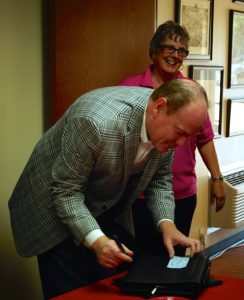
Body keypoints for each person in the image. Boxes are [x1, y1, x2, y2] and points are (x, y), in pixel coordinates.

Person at [9, 79, 208, 299]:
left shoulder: (168, 129)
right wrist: (97, 240)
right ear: (159, 108)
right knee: (72, 294)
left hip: (100, 206)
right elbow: (66, 191)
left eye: (188, 136)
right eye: (180, 133)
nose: (181, 144)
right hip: (52, 209)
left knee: (106, 290)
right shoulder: (95, 122)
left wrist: (167, 225)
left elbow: (159, 180)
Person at [119, 20, 225, 255]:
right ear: (154, 50)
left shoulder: (193, 92)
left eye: (181, 51)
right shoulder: (130, 87)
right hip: (138, 195)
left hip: (182, 194)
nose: (175, 55)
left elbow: (205, 138)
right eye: (169, 48)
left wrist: (217, 179)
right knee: (139, 260)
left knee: (174, 258)